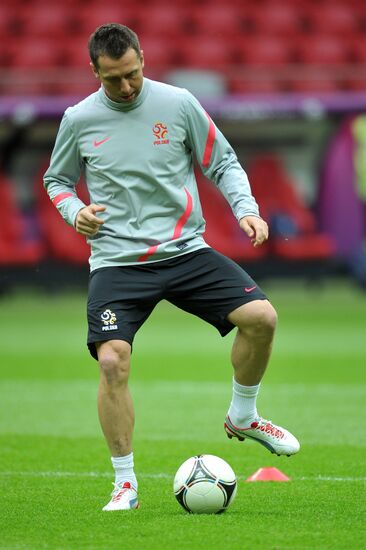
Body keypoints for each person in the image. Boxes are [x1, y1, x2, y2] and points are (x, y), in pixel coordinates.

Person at [44, 23, 300, 512]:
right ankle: (125, 483)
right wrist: (74, 211)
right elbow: (57, 180)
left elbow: (222, 162)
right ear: (94, 70)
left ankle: (243, 416)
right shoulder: (77, 119)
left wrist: (245, 208)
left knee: (263, 318)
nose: (126, 87)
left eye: (133, 74)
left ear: (143, 57)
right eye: (113, 79)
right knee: (112, 360)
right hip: (118, 261)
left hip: (185, 251)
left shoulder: (178, 103)